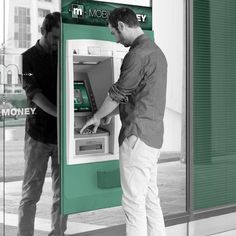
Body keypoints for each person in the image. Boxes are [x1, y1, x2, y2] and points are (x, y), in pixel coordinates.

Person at [80, 7, 167, 236]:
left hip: (137, 137)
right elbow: (139, 97)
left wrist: (97, 116)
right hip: (153, 137)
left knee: (132, 204)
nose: (116, 40)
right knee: (150, 199)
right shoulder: (157, 52)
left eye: (114, 33)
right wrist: (112, 113)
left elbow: (118, 93)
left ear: (121, 25)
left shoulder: (136, 55)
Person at [17, 12, 67, 236]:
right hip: (37, 135)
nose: (57, 43)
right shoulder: (27, 58)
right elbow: (34, 94)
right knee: (30, 193)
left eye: (60, 38)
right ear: (43, 32)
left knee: (63, 193)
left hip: (61, 137)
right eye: (54, 38)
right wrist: (60, 113)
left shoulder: (62, 54)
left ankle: (58, 233)